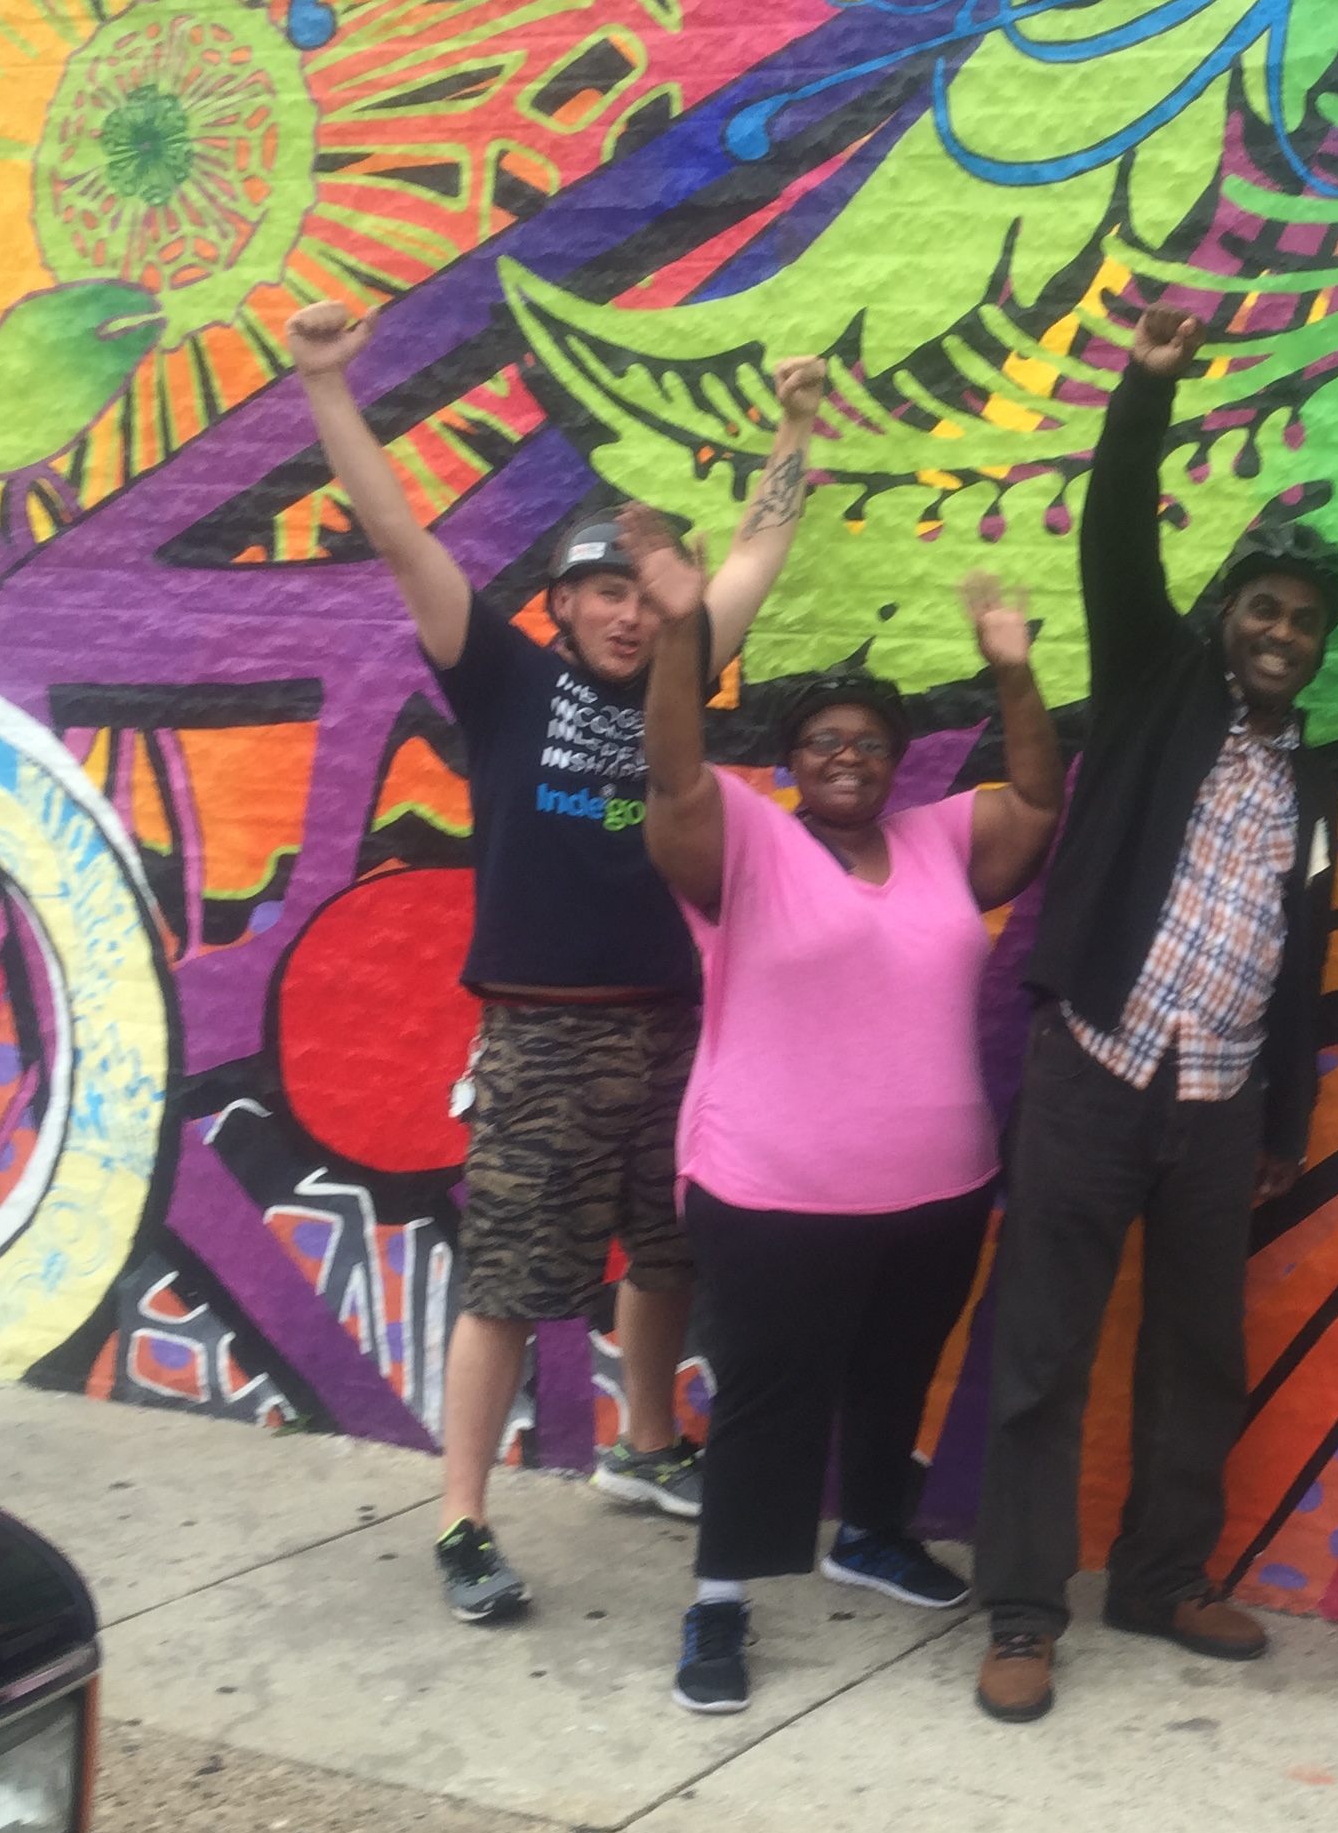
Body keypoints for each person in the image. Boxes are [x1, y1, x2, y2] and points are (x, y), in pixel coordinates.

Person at [285, 298, 823, 1625]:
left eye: (646, 594)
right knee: (514, 1282)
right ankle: (464, 1520)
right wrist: (327, 391)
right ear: (562, 604)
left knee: (668, 1249)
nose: (631, 616)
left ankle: (647, 1447)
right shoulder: (504, 682)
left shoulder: (681, 681)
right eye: (604, 592)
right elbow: (400, 531)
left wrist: (795, 435)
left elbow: (760, 545)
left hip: (675, 1022)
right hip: (541, 1030)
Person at [969, 300, 1338, 1725]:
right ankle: (1021, 1607)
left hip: (1218, 1102)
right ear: (1223, 612)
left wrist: (1282, 1119)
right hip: (1094, 1069)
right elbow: (1113, 537)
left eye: (1305, 622)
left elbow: (1295, 957)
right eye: (1264, 606)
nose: (1283, 632)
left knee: (1200, 1353)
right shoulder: (1151, 685)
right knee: (1047, 1351)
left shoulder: (1311, 779)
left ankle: (1159, 1576)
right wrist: (1148, 387)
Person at [631, 510, 1062, 1712]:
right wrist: (681, 635)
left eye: (871, 742)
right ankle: (718, 1604)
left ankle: (871, 1532)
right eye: (823, 740)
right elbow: (666, 772)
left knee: (893, 1379)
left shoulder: (939, 841)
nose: (849, 755)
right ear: (791, 760)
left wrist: (1013, 667)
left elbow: (1036, 797)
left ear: (896, 762)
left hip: (938, 1192)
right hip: (771, 1194)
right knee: (769, 1397)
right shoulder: (747, 842)